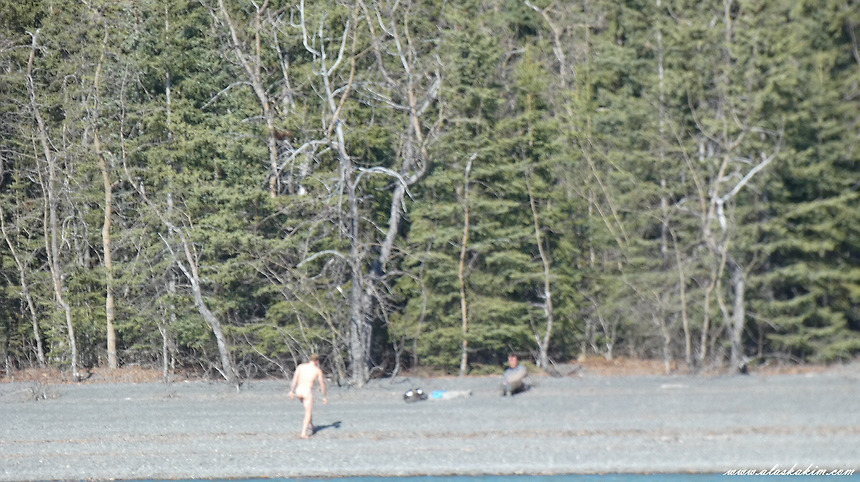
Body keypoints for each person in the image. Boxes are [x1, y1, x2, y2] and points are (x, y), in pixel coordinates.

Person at [289, 354, 327, 438]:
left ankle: (312, 426)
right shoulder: (317, 370)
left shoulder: (301, 367)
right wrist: (324, 396)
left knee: (307, 409)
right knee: (308, 412)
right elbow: (322, 384)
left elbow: (295, 379)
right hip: (307, 392)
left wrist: (291, 391)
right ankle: (303, 433)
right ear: (317, 362)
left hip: (298, 391)